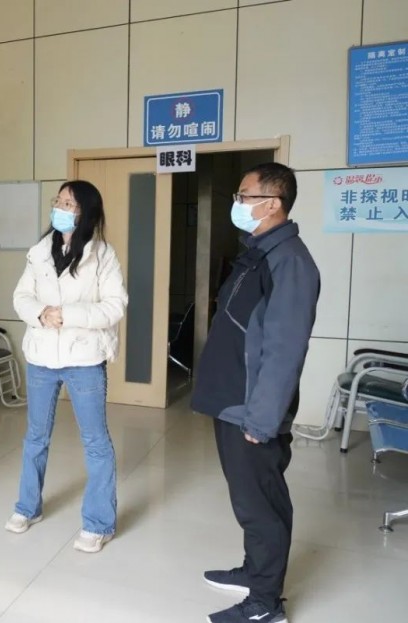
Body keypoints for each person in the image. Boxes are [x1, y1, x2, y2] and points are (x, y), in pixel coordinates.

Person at [191, 163, 320, 623]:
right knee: (249, 500)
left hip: (251, 409)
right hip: (233, 401)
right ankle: (254, 571)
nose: (237, 203)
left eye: (244, 196)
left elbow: (285, 349)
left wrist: (262, 419)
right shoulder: (259, 252)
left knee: (260, 504)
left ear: (272, 204)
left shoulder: (291, 262)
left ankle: (265, 604)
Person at [5, 180, 128, 553]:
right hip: (42, 357)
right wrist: (41, 313)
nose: (59, 208)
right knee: (35, 437)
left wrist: (67, 314)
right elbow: (21, 296)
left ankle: (99, 523)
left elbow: (115, 306)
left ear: (86, 211)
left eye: (68, 203)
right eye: (58, 201)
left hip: (83, 359)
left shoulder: (102, 255)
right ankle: (27, 507)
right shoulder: (40, 251)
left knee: (95, 441)